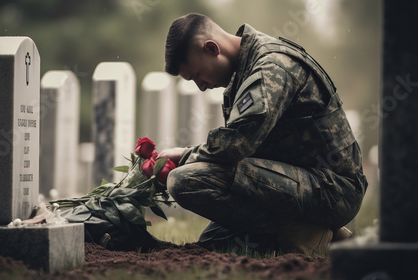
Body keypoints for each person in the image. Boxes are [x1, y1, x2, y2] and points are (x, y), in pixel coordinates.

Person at [158, 13, 368, 254]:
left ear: (212, 48)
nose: (201, 85)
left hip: (332, 190)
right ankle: (317, 233)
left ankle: (311, 232)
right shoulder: (245, 69)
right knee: (215, 243)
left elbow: (237, 145)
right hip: (301, 182)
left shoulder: (270, 66)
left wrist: (184, 156)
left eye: (196, 75)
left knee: (184, 181)